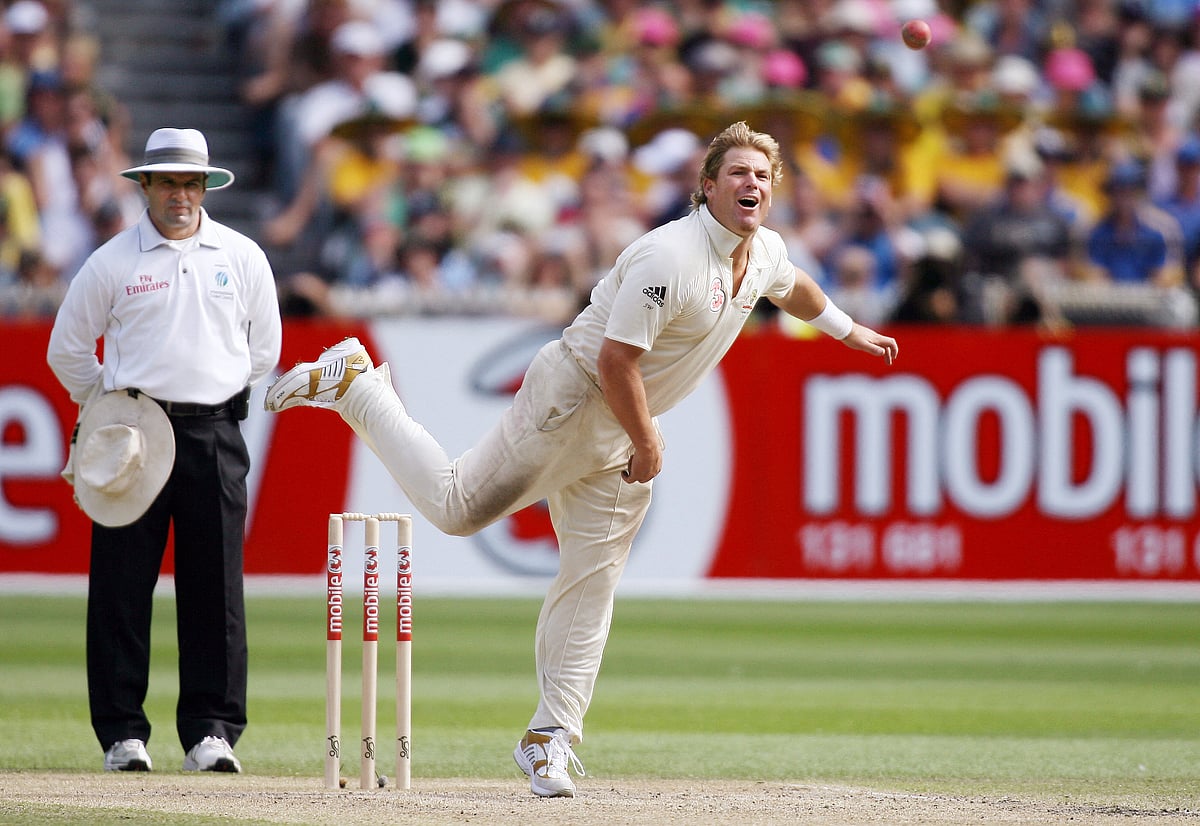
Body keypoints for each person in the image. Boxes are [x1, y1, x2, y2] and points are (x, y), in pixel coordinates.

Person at [262, 121, 898, 798]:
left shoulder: (763, 249)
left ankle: (549, 737)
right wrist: (649, 441)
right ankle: (359, 386)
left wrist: (848, 329)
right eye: (738, 174)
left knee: (593, 580)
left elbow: (792, 283)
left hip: (622, 430)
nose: (753, 185)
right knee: (455, 508)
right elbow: (615, 359)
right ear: (707, 186)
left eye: (763, 177)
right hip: (575, 397)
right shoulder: (670, 258)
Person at [46, 127, 283, 773]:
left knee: (216, 588)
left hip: (215, 432)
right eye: (169, 181)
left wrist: (211, 393)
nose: (181, 194)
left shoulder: (241, 255)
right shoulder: (114, 260)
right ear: (144, 185)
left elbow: (263, 353)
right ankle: (123, 734)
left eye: (192, 182)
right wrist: (117, 405)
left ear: (206, 186)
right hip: (132, 436)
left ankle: (211, 732)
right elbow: (67, 350)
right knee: (122, 586)